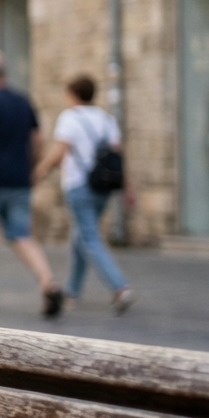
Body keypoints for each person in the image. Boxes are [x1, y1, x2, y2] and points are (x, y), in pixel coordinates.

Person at [0, 49, 64, 317]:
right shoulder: (23, 101)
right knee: (22, 235)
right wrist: (30, 167)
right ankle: (48, 282)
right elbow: (37, 138)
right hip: (19, 181)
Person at [33, 75, 135, 314]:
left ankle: (121, 287)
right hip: (103, 188)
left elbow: (61, 151)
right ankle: (73, 292)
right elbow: (118, 157)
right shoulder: (107, 120)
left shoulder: (69, 118)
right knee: (80, 237)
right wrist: (129, 188)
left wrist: (40, 170)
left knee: (89, 238)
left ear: (72, 94)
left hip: (79, 185)